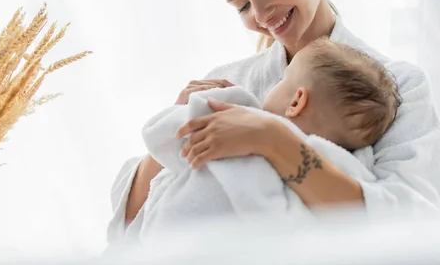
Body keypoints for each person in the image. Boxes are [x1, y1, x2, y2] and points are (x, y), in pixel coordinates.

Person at [108, 0, 440, 242]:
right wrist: (177, 122)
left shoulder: (399, 87)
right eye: (242, 6)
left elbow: (407, 221)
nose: (262, 14)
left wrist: (272, 138)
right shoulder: (228, 81)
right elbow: (130, 224)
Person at [117, 38, 400, 241]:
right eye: (241, 5)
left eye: (282, 80)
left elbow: (160, 134)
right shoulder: (341, 164)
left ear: (297, 100)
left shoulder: (237, 107)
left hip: (179, 237)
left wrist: (186, 108)